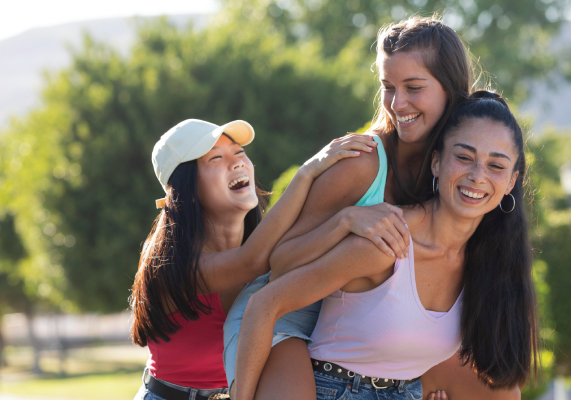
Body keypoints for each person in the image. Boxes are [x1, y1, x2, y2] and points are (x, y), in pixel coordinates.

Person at [223, 15, 475, 399]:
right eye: (388, 87)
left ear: (451, 90)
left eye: (413, 87)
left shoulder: (459, 169)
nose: (397, 103)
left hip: (355, 330)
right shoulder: (362, 162)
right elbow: (281, 265)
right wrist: (346, 220)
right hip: (281, 316)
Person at [234, 91, 539, 400]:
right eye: (464, 158)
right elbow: (265, 303)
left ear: (511, 182)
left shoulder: (488, 261)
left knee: (504, 394)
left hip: (406, 391)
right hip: (335, 389)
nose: (477, 176)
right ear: (436, 163)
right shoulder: (388, 240)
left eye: (496, 166)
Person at [130, 118, 408, 400]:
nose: (237, 163)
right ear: (185, 191)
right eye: (216, 158)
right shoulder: (168, 263)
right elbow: (251, 262)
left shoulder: (270, 246)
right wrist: (308, 172)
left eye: (239, 152)